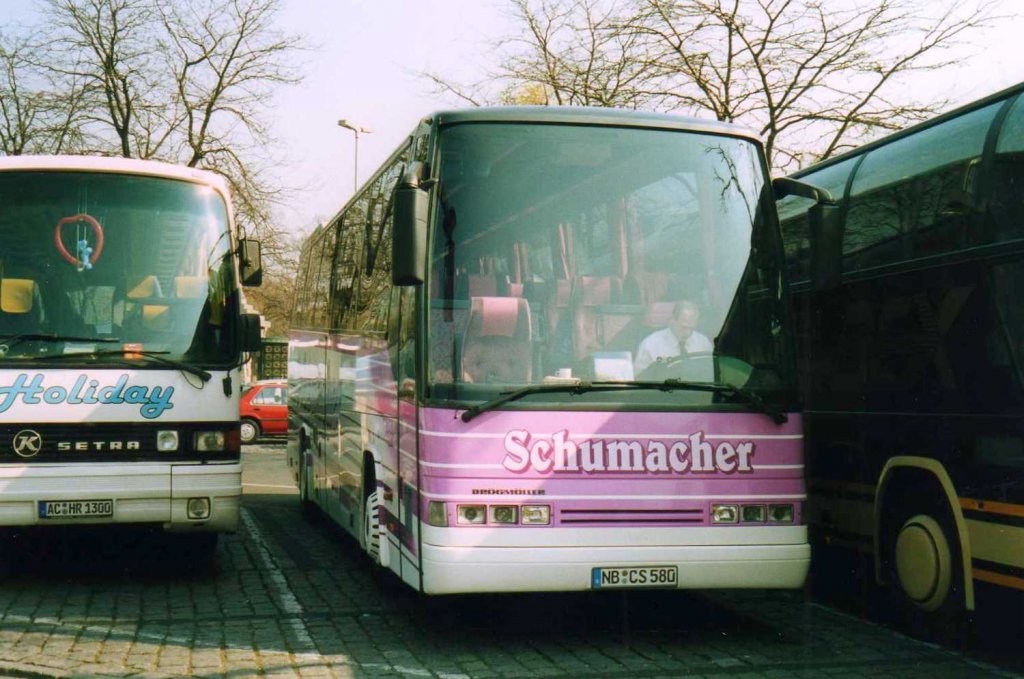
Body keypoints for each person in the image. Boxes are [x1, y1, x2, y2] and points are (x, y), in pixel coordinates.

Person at [633, 300, 713, 375]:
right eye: (684, 327)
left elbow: (711, 373)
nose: (688, 333)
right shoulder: (650, 345)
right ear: (672, 321)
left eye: (691, 328)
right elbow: (638, 377)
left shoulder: (703, 343)